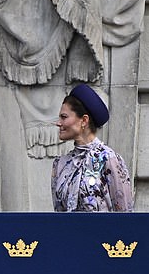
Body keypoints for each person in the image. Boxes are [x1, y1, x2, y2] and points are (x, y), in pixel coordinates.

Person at [51, 84, 134, 212]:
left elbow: (125, 216)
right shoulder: (59, 164)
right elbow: (58, 216)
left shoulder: (108, 159)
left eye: (64, 117)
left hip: (103, 232)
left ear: (84, 121)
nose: (58, 123)